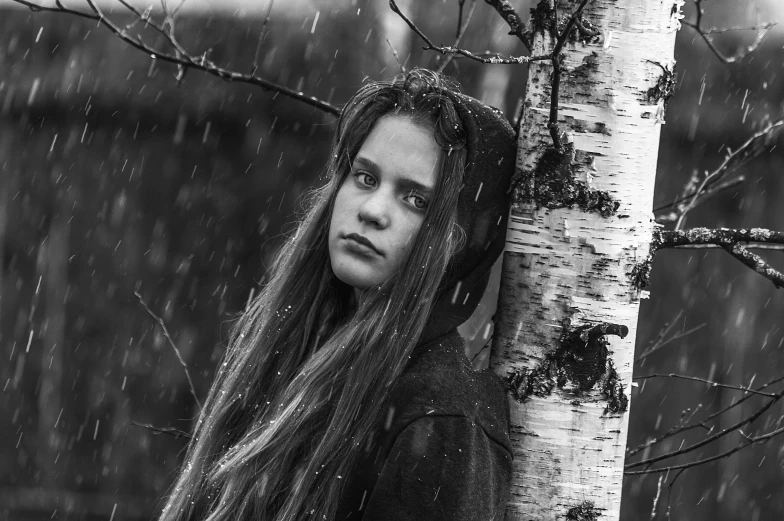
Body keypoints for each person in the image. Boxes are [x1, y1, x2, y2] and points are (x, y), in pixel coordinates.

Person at [158, 68, 517, 521]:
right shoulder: (288, 345)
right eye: (366, 178)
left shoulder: (442, 416)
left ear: (461, 240)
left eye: (416, 199)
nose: (371, 211)